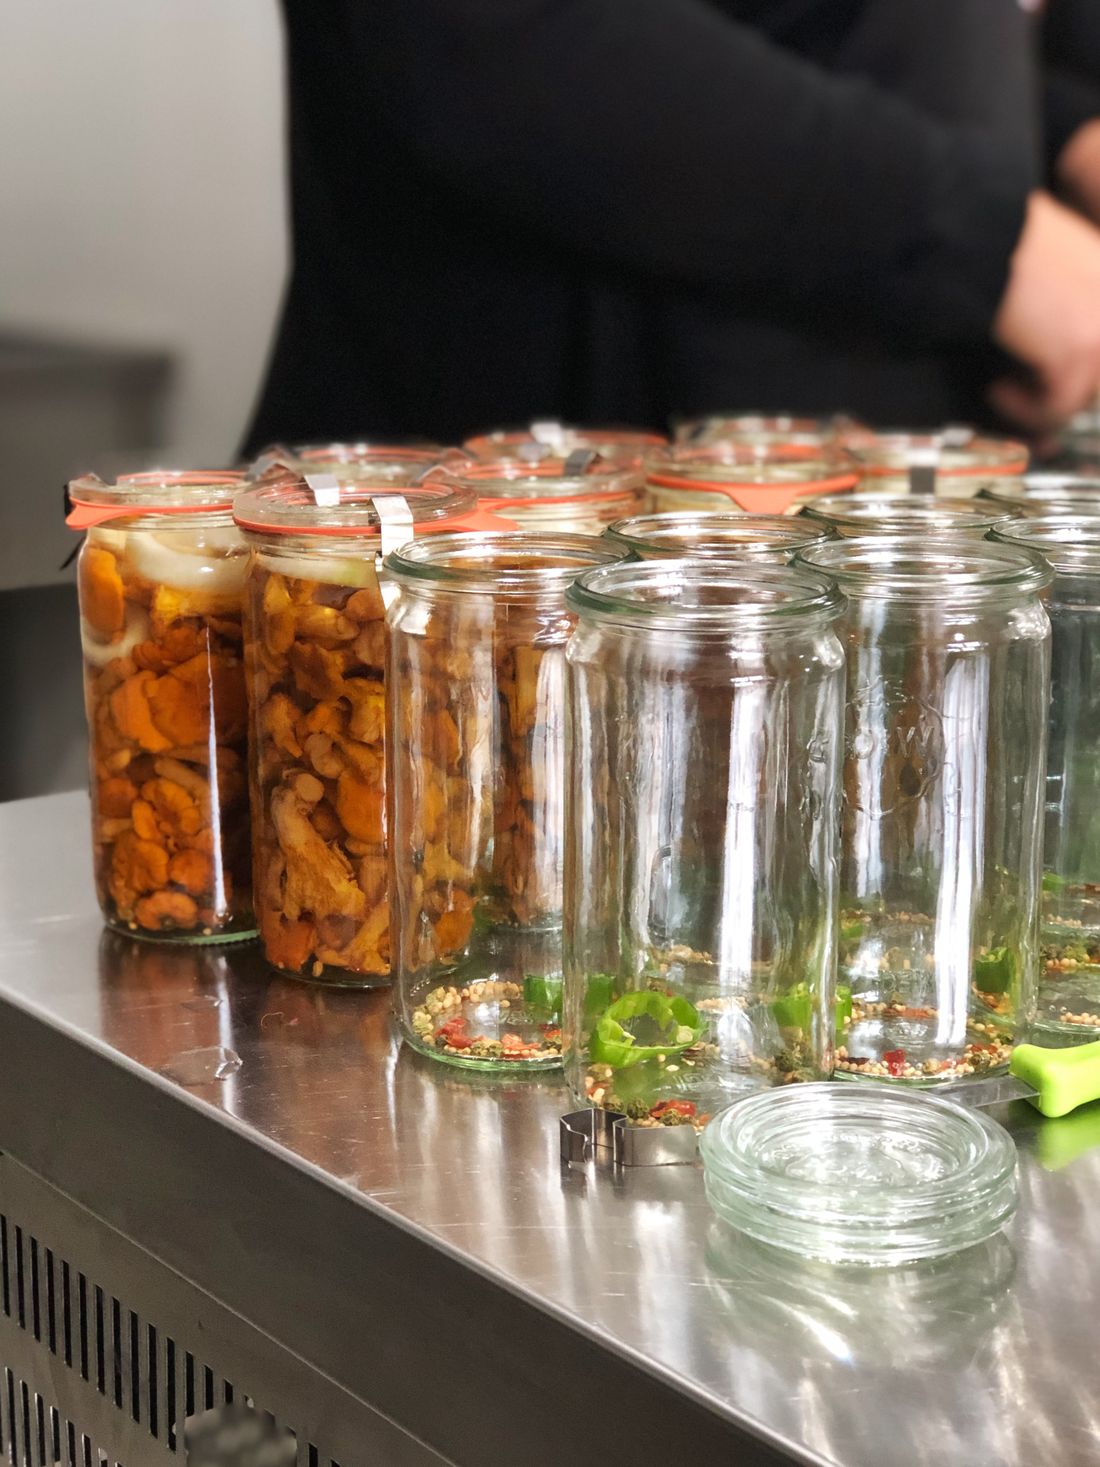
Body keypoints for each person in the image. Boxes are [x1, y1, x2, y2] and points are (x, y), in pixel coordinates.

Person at [245, 0, 1100, 451]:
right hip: (528, 579)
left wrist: (1067, 131)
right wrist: (987, 242)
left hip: (889, 537)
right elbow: (495, 42)